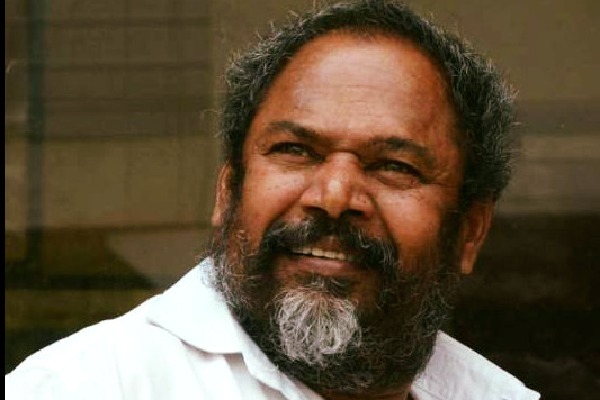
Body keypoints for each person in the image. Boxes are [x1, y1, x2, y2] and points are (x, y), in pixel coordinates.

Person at [5, 1, 540, 399]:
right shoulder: (89, 387)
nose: (334, 197)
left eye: (394, 166)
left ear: (470, 232)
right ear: (227, 191)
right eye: (295, 151)